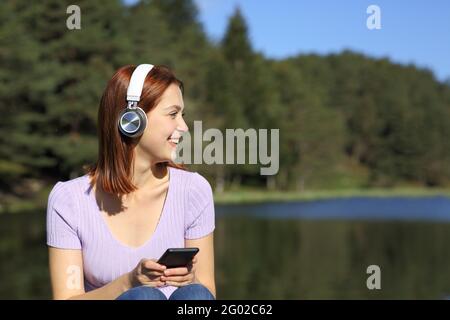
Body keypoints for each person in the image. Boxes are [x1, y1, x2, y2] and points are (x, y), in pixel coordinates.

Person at [46, 64, 216, 300]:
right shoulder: (68, 200)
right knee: (144, 298)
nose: (184, 127)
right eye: (172, 114)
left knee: (196, 293)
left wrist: (191, 278)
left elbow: (208, 291)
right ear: (132, 120)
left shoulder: (194, 190)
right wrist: (128, 283)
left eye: (182, 116)